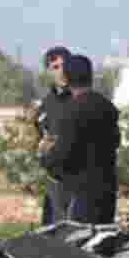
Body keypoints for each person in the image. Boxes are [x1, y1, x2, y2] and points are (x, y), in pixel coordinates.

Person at [40, 54, 121, 225]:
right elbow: (115, 142)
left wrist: (45, 157)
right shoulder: (107, 106)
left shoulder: (72, 110)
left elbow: (63, 153)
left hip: (81, 193)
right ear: (91, 76)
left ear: (67, 78)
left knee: (78, 244)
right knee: (102, 243)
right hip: (107, 188)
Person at [36, 46, 74, 226]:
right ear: (49, 71)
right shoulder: (46, 105)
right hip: (55, 181)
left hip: (80, 181)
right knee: (54, 234)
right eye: (55, 67)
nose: (62, 71)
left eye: (64, 65)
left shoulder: (83, 99)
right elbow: (39, 141)